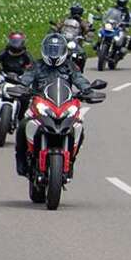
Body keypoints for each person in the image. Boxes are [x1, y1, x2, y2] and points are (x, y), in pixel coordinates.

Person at [13, 32, 96, 176]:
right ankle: (20, 160)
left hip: (64, 104)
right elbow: (26, 78)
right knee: (23, 125)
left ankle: (71, 160)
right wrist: (21, 86)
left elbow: (79, 79)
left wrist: (87, 90)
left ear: (63, 51)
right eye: (50, 49)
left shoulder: (70, 66)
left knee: (79, 128)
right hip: (40, 103)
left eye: (56, 49)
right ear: (44, 49)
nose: (53, 53)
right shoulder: (36, 65)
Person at [0, 31, 32, 123]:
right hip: (4, 75)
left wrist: (31, 71)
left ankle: (21, 116)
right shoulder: (5, 52)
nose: (16, 44)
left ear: (23, 42)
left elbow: (32, 65)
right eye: (14, 41)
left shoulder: (26, 55)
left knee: (26, 96)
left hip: (20, 78)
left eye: (18, 41)